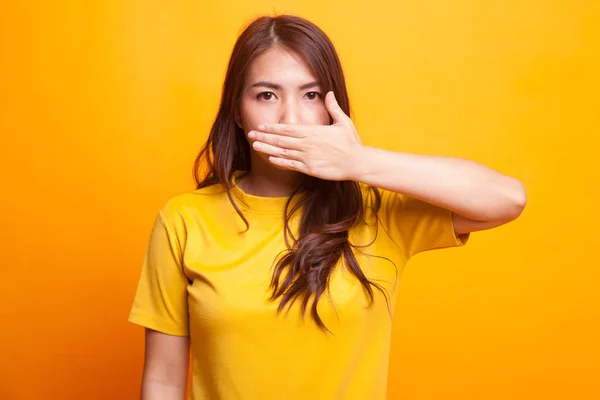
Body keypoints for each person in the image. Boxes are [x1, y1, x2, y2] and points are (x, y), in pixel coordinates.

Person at [128, 14, 526, 400]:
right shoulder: (184, 220)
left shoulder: (376, 212)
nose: (291, 118)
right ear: (236, 109)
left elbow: (507, 199)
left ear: (332, 107)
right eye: (266, 95)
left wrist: (359, 162)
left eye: (311, 95)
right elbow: (163, 380)